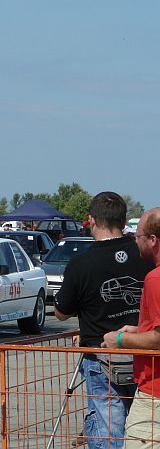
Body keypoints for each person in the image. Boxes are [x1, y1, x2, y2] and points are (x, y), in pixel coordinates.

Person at [54, 192, 154, 449]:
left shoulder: (81, 263)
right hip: (143, 353)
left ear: (91, 220)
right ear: (123, 221)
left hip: (100, 356)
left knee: (108, 431)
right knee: (144, 429)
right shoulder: (145, 255)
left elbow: (61, 312)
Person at [102, 208, 160, 447]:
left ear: (153, 240)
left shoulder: (155, 279)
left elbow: (158, 340)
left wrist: (119, 340)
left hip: (154, 394)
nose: (135, 241)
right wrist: (139, 330)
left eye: (138, 236)